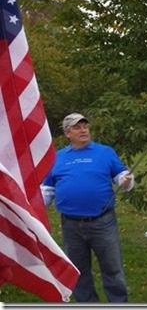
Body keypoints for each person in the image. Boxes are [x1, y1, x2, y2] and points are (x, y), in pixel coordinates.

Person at [41, 113, 134, 302]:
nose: (83, 130)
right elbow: (47, 190)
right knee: (78, 270)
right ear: (67, 133)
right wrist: (31, 209)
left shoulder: (105, 152)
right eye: (77, 127)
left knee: (112, 269)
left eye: (85, 126)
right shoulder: (57, 158)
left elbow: (122, 176)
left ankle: (119, 304)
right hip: (71, 225)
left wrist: (126, 181)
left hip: (102, 222)